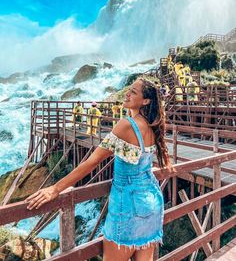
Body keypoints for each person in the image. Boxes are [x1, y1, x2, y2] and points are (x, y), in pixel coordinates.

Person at [25, 78, 170, 261]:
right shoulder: (151, 126)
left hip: (128, 206)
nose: (127, 93)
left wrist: (55, 189)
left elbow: (92, 161)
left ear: (146, 101)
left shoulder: (127, 125)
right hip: (151, 202)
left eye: (133, 92)